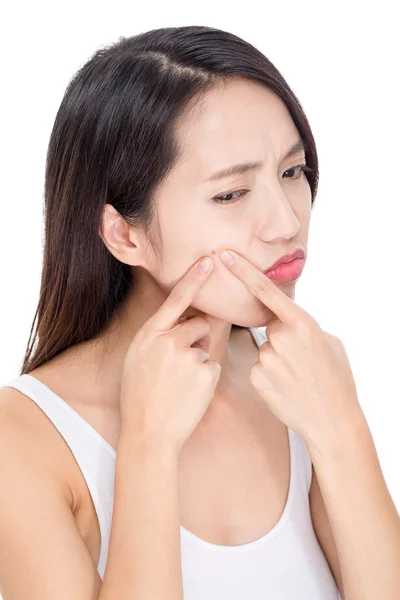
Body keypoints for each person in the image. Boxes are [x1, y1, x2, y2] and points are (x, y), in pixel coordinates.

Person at [0, 25, 344, 599]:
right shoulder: (24, 440)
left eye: (291, 172)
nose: (287, 223)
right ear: (124, 235)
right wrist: (148, 446)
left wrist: (342, 424)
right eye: (231, 194)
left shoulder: (301, 377)